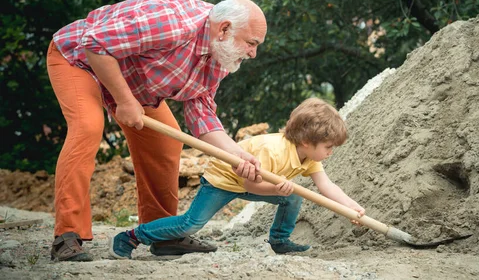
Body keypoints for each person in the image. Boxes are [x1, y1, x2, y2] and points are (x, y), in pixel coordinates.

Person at [46, 0, 267, 261]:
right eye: (251, 43)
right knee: (88, 128)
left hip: (131, 80)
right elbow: (94, 43)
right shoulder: (174, 24)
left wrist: (235, 154)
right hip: (80, 59)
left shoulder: (220, 55)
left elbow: (201, 112)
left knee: (165, 143)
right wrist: (125, 101)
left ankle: (161, 233)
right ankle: (66, 235)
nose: (254, 53)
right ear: (224, 29)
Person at [108, 97, 365, 259]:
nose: (330, 152)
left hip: (253, 182)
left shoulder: (310, 157)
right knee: (190, 224)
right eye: (328, 147)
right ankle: (132, 236)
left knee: (293, 196)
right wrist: (278, 188)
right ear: (308, 141)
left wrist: (350, 207)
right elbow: (249, 184)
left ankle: (279, 240)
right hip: (222, 180)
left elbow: (326, 185)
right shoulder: (273, 151)